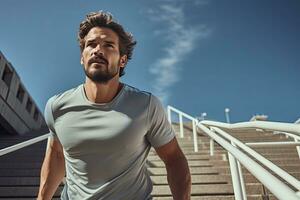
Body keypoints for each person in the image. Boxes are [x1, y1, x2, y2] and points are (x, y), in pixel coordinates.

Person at [37, 11, 191, 200]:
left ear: (122, 60)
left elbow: (174, 159)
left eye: (108, 45)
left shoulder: (146, 105)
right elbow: (56, 156)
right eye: (91, 44)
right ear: (82, 57)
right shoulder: (57, 106)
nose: (97, 50)